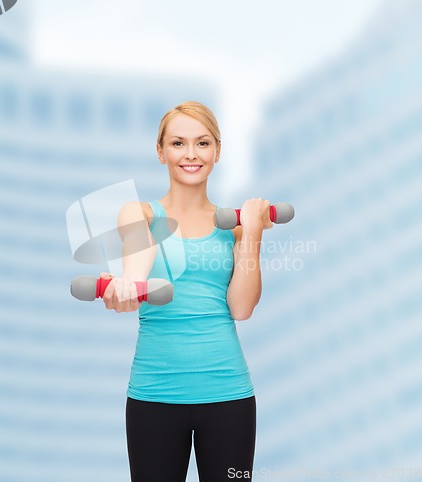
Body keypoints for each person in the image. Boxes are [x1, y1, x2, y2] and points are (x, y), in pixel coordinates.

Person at [101, 101, 273, 481]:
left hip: (229, 396)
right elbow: (137, 260)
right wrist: (130, 284)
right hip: (153, 396)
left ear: (217, 151)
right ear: (160, 152)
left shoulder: (237, 227)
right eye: (178, 143)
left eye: (203, 143)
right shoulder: (139, 214)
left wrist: (254, 233)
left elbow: (241, 308)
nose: (191, 154)